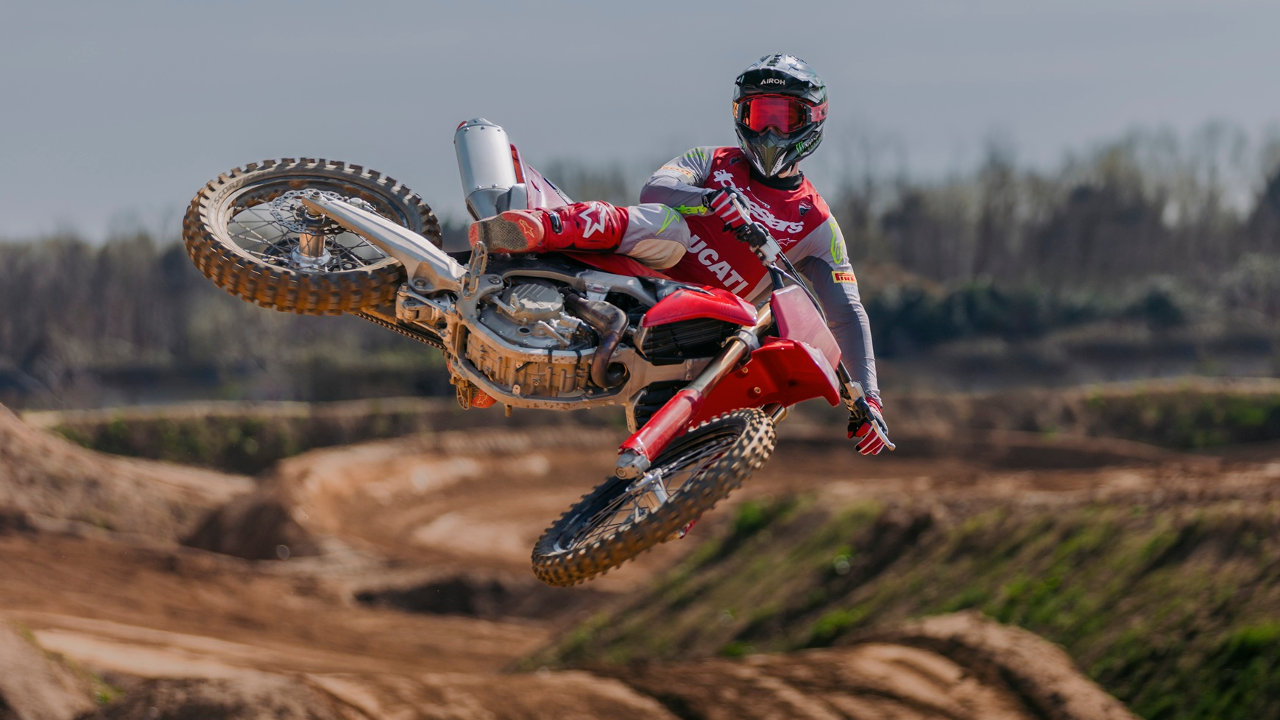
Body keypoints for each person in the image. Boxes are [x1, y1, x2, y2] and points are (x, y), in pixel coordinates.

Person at [468, 53, 890, 456]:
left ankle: (680, 479)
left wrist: (869, 397)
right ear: (740, 115)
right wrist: (708, 200)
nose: (769, 132)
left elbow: (847, 313)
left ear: (812, 120)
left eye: (784, 118)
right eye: (759, 115)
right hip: (648, 271)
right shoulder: (711, 161)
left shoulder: (818, 224)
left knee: (765, 356)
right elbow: (655, 188)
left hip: (707, 328)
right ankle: (540, 228)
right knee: (670, 226)